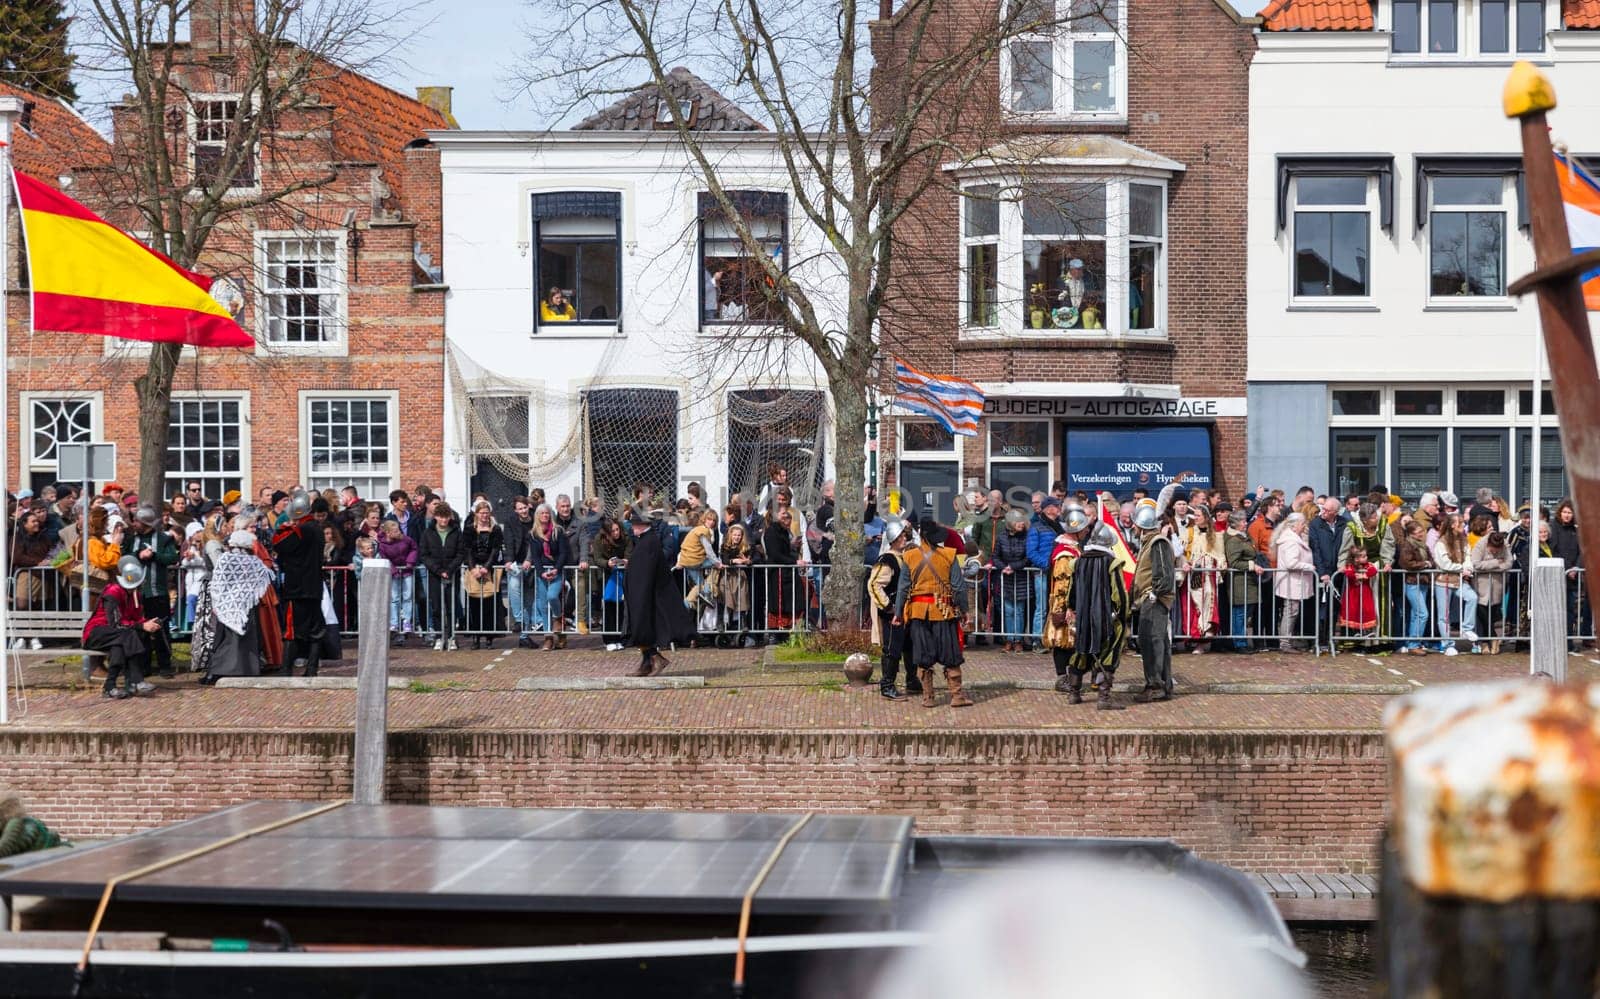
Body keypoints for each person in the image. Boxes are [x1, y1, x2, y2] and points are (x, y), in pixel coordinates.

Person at [894, 522, 971, 709]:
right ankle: (956, 696)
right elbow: (958, 587)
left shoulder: (909, 556)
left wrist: (898, 613)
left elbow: (903, 588)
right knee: (951, 654)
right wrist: (965, 610)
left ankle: (928, 697)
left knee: (923, 654)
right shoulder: (948, 555)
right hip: (943, 611)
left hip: (918, 612)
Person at [621, 506, 694, 677]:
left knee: (643, 629)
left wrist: (640, 592)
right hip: (642, 594)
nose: (632, 528)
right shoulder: (645, 541)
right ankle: (646, 663)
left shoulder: (649, 542)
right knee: (640, 629)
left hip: (647, 595)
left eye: (634, 524)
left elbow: (647, 572)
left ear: (640, 525)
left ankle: (655, 659)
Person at [1064, 522, 1130, 710]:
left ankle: (1074, 693)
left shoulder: (1079, 561)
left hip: (1084, 618)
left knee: (1081, 651)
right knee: (1109, 653)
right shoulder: (1112, 562)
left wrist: (1072, 608)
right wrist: (1123, 614)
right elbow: (1119, 593)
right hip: (1107, 618)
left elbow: (1072, 592)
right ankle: (1104, 698)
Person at [199, 531, 276, 685]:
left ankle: (220, 670)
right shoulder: (253, 561)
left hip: (227, 605)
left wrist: (217, 602)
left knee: (226, 639)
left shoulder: (225, 559)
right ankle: (248, 668)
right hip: (246, 606)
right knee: (245, 639)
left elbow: (218, 583)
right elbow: (267, 575)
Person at [83, 556, 161, 699]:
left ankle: (109, 687)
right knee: (127, 635)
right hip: (96, 632)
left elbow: (134, 618)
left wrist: (148, 623)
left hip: (116, 635)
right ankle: (136, 680)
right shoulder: (113, 592)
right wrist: (141, 625)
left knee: (119, 646)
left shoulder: (134, 595)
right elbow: (116, 623)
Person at [273, 492, 327, 677]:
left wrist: (284, 529)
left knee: (292, 629)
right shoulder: (317, 529)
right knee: (315, 629)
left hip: (297, 588)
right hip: (314, 587)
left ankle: (286, 668)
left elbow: (279, 544)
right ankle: (312, 668)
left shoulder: (301, 530)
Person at [1129, 489, 1176, 701]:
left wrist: (1155, 594)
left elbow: (1163, 575)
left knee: (1154, 641)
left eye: (1136, 524)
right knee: (1150, 641)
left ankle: (1156, 685)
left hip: (1154, 600)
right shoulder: (1149, 542)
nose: (1133, 527)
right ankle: (1160, 683)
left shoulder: (1157, 542)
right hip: (1149, 599)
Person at [125, 504, 180, 677]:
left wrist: (154, 555)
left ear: (145, 523)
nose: (135, 524)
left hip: (158, 592)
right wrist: (138, 556)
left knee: (161, 629)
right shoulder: (131, 539)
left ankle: (165, 664)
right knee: (141, 630)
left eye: (138, 522)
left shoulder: (164, 539)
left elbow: (173, 557)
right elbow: (124, 558)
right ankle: (144, 665)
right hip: (136, 593)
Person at [868, 518, 915, 700]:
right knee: (892, 649)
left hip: (904, 611)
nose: (904, 538)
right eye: (901, 535)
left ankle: (912, 680)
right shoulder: (887, 559)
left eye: (905, 535)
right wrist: (888, 607)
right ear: (894, 538)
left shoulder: (903, 557)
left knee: (909, 647)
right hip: (891, 614)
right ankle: (887, 685)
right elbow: (874, 585)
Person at [1042, 509, 1082, 693]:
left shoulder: (1072, 549)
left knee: (1070, 641)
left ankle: (1071, 676)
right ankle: (1062, 678)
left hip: (1070, 603)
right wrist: (1066, 607)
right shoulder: (1065, 554)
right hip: (1063, 604)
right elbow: (1063, 584)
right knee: (1062, 640)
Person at [1431, 512, 1480, 657]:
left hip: (1459, 580)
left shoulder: (1463, 540)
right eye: (1461, 523)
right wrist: (1461, 569)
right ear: (1453, 525)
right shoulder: (1441, 542)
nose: (1464, 525)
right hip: (1444, 581)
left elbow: (1467, 557)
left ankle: (1466, 628)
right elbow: (1443, 563)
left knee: (1472, 597)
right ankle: (1448, 644)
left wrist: (1468, 568)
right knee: (1443, 615)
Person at [420, 502, 464, 651]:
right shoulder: (428, 533)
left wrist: (450, 570)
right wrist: (438, 570)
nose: (444, 520)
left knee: (451, 607)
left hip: (452, 574)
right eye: (441, 517)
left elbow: (460, 553)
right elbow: (424, 555)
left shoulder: (456, 531)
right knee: (437, 607)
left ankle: (451, 637)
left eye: (446, 517)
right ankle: (439, 636)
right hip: (435, 575)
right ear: (436, 517)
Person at [526, 503, 569, 650]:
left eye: (547, 513)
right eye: (542, 513)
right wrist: (541, 572)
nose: (545, 515)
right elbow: (535, 557)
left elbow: (563, 553)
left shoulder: (558, 531)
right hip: (542, 571)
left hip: (556, 570)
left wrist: (556, 569)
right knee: (543, 605)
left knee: (552, 596)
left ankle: (558, 617)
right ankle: (548, 638)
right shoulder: (533, 534)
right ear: (537, 516)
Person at [463, 499, 506, 649]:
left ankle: (489, 637)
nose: (484, 516)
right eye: (482, 513)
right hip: (473, 568)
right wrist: (472, 568)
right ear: (476, 514)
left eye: (487, 513)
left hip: (490, 568)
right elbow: (467, 550)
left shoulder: (496, 530)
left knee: (490, 603)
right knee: (474, 603)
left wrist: (486, 567)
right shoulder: (469, 529)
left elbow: (495, 550)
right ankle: (475, 636)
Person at [1026, 496, 1065, 652]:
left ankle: (1054, 637)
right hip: (1043, 573)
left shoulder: (1060, 527)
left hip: (1058, 574)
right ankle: (1037, 640)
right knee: (1041, 607)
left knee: (1056, 607)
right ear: (1049, 508)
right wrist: (1047, 564)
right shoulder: (1036, 528)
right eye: (1057, 506)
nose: (1058, 509)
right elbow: (1031, 552)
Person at [1273, 513, 1315, 653]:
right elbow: (1291, 563)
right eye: (1302, 524)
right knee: (1290, 611)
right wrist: (1309, 567)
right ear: (1295, 525)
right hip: (1292, 582)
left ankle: (1286, 641)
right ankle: (1285, 642)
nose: (1304, 526)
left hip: (1294, 581)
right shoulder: (1290, 541)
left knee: (1291, 611)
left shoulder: (1292, 538)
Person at [1223, 509, 1263, 652]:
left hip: (1249, 581)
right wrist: (1252, 566)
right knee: (1240, 613)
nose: (1245, 523)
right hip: (1239, 582)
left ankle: (1241, 640)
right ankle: (1239, 642)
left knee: (1245, 612)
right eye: (1243, 521)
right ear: (1236, 524)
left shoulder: (1244, 537)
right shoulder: (1234, 540)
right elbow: (1233, 562)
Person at [1550, 498, 1588, 650]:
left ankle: (1569, 641)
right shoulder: (1553, 527)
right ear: (1560, 512)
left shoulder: (1576, 529)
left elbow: (1582, 551)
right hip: (1557, 574)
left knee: (1570, 610)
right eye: (1565, 512)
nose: (1567, 515)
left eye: (1570, 513)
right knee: (1556, 609)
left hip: (1573, 575)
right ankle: (1556, 641)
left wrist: (1576, 568)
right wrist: (1566, 568)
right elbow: (1553, 550)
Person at [993, 508, 1032, 652]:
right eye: (1018, 521)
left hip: (1021, 576)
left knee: (1019, 610)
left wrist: (1014, 567)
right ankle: (1009, 639)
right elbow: (995, 556)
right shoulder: (1002, 537)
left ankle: (1018, 640)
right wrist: (1003, 567)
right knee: (1008, 610)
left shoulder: (1026, 537)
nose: (1021, 523)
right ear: (1011, 523)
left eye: (1022, 521)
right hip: (1006, 578)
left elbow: (1028, 557)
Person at [591, 516, 632, 651]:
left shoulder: (625, 537)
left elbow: (629, 552)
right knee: (608, 606)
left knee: (620, 606)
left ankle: (619, 637)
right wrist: (607, 563)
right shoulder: (599, 539)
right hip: (606, 575)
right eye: (612, 531)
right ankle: (608, 639)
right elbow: (597, 558)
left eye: (617, 529)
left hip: (621, 574)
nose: (616, 533)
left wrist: (626, 560)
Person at [714, 521, 755, 649]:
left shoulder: (746, 547)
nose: (737, 537)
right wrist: (734, 560)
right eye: (735, 535)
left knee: (742, 597)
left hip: (740, 576)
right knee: (724, 599)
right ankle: (721, 622)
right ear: (730, 535)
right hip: (727, 576)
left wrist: (748, 561)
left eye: (739, 535)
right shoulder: (724, 547)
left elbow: (752, 559)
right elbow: (725, 559)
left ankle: (743, 623)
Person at [1396, 518, 1433, 656]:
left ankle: (1413, 642)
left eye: (1422, 531)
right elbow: (1406, 563)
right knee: (1423, 613)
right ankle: (1413, 644)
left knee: (1416, 614)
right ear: (1411, 533)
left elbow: (1431, 560)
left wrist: (1429, 564)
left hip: (1423, 582)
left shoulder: (1423, 545)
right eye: (1418, 532)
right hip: (1412, 582)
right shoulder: (1407, 546)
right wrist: (1424, 564)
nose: (1421, 534)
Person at [378, 519, 418, 645]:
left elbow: (414, 548)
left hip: (406, 571)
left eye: (399, 529)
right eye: (395, 531)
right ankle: (394, 622)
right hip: (394, 572)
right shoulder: (383, 544)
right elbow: (384, 558)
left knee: (407, 596)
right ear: (388, 533)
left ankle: (407, 621)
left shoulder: (406, 539)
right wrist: (393, 570)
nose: (399, 532)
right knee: (394, 598)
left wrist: (410, 562)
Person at [1471, 530, 1511, 654]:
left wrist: (1496, 566)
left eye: (1497, 551)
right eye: (1492, 550)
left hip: (1497, 585)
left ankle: (1487, 641)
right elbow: (1476, 564)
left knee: (1492, 614)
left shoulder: (1505, 545)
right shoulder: (1480, 545)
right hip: (1481, 584)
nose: (1495, 552)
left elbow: (1509, 563)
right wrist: (1495, 562)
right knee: (1482, 613)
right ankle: (1490, 639)